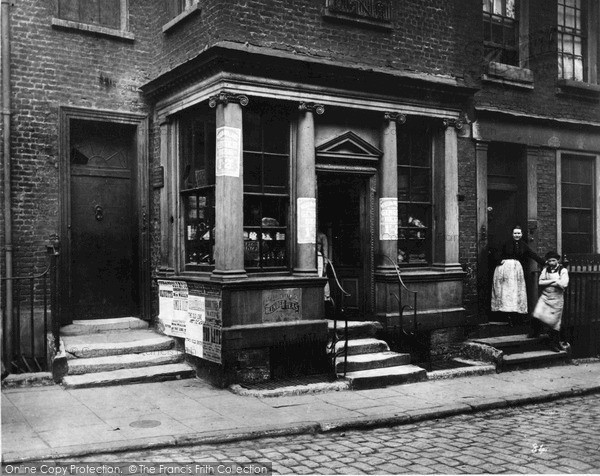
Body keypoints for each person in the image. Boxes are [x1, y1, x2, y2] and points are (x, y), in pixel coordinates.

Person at [491, 225, 545, 325]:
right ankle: (506, 316)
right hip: (505, 270)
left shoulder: (523, 245)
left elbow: (532, 254)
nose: (517, 235)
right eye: (515, 233)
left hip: (516, 270)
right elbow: (495, 252)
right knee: (506, 291)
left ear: (521, 234)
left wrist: (544, 262)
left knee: (516, 291)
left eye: (519, 233)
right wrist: (499, 260)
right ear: (512, 234)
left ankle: (515, 316)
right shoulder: (505, 243)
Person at [531, 251, 569, 351]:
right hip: (545, 296)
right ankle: (535, 333)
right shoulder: (545, 270)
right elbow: (540, 282)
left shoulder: (563, 270)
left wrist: (549, 283)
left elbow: (564, 284)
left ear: (557, 260)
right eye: (550, 261)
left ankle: (554, 343)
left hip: (557, 298)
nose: (552, 262)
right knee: (538, 313)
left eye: (554, 260)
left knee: (555, 321)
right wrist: (554, 281)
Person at [317, 229, 331, 303]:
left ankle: (326, 298)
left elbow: (325, 250)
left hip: (319, 258)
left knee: (322, 277)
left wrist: (325, 265)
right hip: (311, 259)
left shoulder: (322, 236)